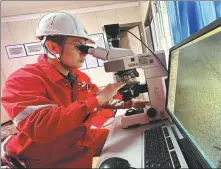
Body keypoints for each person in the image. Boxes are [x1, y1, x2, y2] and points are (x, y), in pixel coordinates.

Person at [1, 12, 148, 168]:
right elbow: (42, 127)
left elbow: (96, 97)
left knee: (136, 135)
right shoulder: (22, 80)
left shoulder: (77, 76)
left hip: (78, 140)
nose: (85, 53)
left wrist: (129, 104)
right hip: (43, 158)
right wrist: (99, 100)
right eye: (79, 46)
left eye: (86, 47)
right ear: (53, 47)